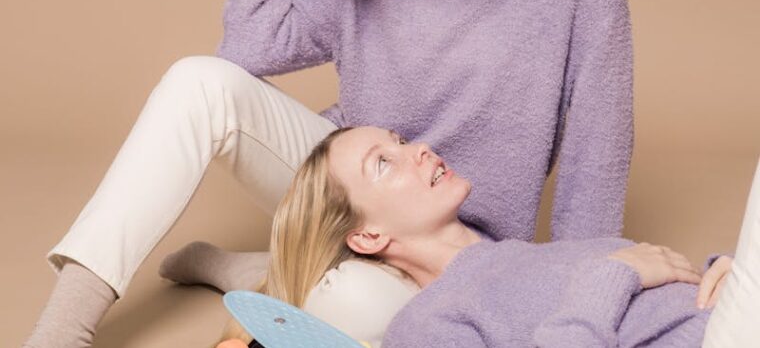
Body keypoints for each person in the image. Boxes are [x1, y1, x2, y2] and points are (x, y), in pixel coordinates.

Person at [23, 0, 636, 346]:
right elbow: (249, 49)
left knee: (373, 315)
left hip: (461, 248)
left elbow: (596, 146)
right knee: (197, 81)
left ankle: (259, 270)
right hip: (355, 189)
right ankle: (63, 328)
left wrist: (579, 278)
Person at [215, 126, 753, 348]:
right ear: (367, 235)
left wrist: (731, 271)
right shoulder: (427, 325)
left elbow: (670, 296)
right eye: (384, 163)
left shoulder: (544, 255)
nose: (418, 149)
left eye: (400, 141)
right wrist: (617, 274)